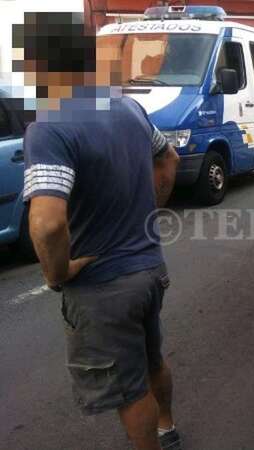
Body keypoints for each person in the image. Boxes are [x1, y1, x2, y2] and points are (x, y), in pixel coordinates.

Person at [17, 12, 181, 450]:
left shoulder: (50, 127)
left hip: (104, 286)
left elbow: (48, 222)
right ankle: (168, 428)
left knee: (129, 392)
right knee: (151, 360)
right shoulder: (127, 108)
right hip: (149, 269)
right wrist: (151, 211)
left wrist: (57, 273)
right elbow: (169, 160)